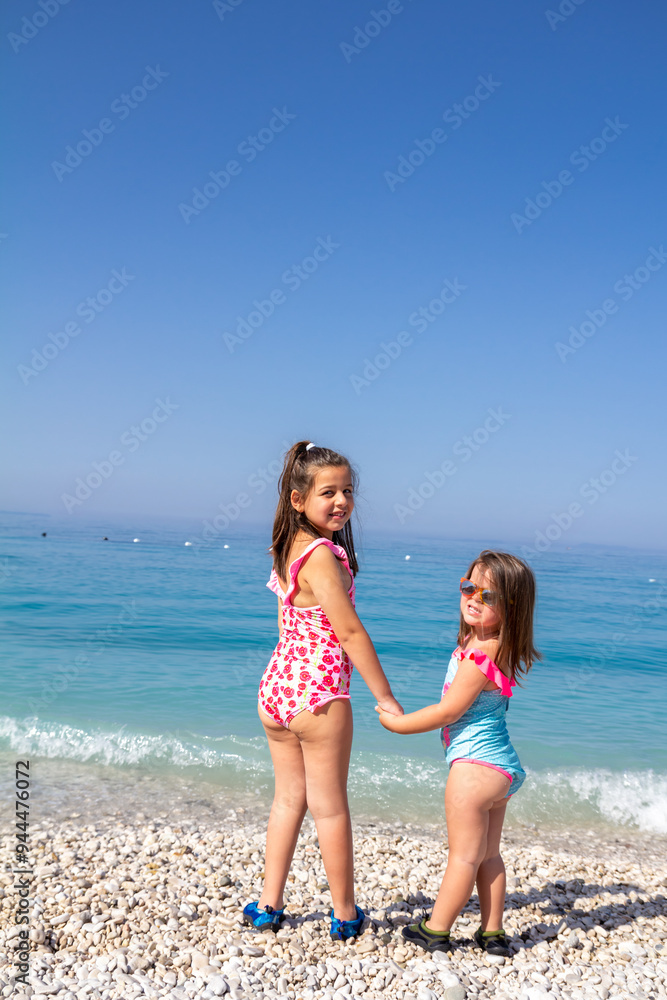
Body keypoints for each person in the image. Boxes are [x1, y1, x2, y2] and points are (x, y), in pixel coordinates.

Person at [244, 441, 403, 940]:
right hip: (318, 695)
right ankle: (345, 913)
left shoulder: (285, 546)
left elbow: (285, 621)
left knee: (288, 799)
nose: (341, 501)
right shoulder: (322, 557)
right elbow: (350, 632)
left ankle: (269, 906)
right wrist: (385, 697)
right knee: (330, 806)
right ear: (298, 500)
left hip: (278, 688)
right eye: (328, 492)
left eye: (347, 491)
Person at [377, 550, 539, 955]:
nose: (473, 598)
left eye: (489, 596)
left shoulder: (480, 656)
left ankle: (436, 929)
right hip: (502, 769)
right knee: (489, 855)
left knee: (464, 857)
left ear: (511, 609)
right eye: (469, 587)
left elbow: (448, 711)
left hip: (473, 770)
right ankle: (492, 932)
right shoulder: (491, 643)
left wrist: (397, 724)